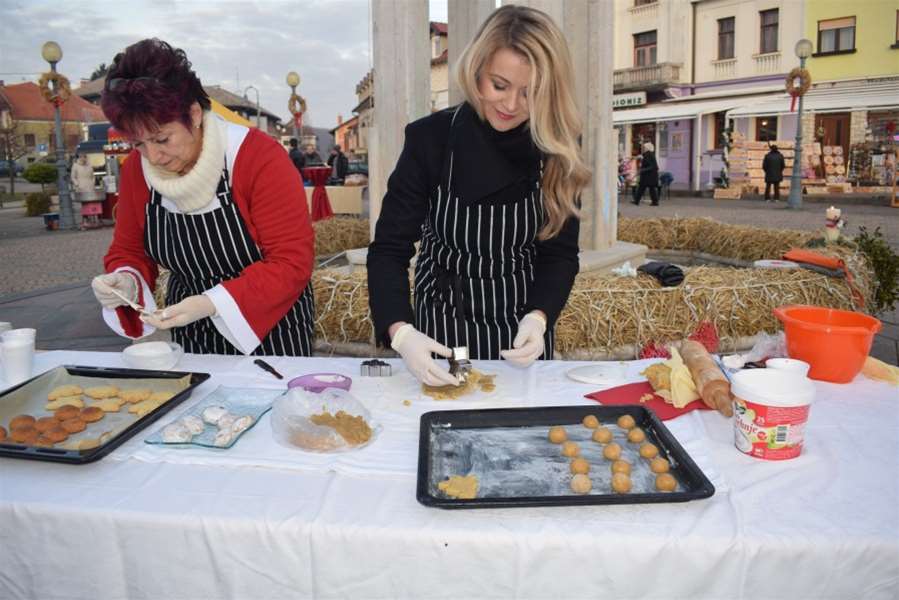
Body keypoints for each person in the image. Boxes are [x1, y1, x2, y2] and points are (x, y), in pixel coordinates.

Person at [367, 5, 590, 386]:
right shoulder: (431, 139)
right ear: (476, 71)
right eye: (499, 85)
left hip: (520, 327)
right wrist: (400, 331)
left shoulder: (557, 148)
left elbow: (560, 254)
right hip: (443, 324)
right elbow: (389, 248)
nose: (511, 105)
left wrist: (540, 317)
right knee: (452, 407)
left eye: (530, 93)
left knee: (517, 416)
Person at [91, 38, 315, 356]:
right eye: (138, 144)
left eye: (162, 139)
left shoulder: (258, 158)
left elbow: (291, 262)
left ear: (194, 114)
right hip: (189, 325)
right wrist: (127, 279)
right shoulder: (137, 172)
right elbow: (129, 249)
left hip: (274, 329)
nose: (153, 156)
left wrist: (213, 303)